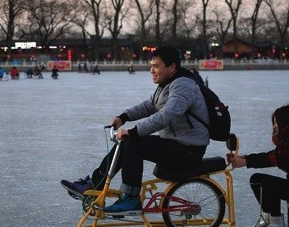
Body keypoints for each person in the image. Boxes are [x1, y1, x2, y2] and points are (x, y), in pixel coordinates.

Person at [60, 45, 210, 215]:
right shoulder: (167, 84)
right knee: (127, 142)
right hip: (176, 144)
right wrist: (123, 117)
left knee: (134, 143)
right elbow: (148, 106)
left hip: (189, 150)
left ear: (172, 67)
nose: (151, 70)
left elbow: (167, 115)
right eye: (151, 66)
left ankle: (131, 199)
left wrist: (133, 132)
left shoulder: (183, 86)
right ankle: (95, 183)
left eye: (156, 66)